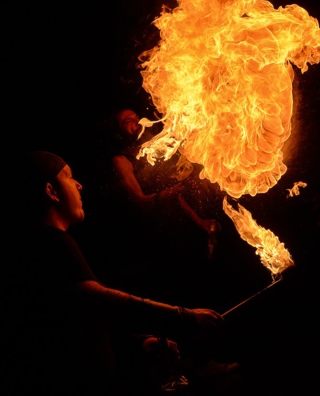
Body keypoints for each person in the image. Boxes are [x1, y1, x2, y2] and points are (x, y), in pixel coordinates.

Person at [0, 150, 234, 395]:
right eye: (68, 177)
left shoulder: (39, 243)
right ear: (51, 191)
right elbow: (93, 302)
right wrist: (184, 318)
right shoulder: (45, 241)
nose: (79, 185)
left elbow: (75, 322)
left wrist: (137, 343)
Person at [83, 107, 224, 306]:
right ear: (117, 133)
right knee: (180, 298)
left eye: (136, 118)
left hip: (179, 237)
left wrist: (199, 222)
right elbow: (141, 202)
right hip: (156, 246)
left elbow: (175, 197)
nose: (137, 122)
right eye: (127, 122)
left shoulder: (151, 156)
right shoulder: (121, 162)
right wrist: (176, 189)